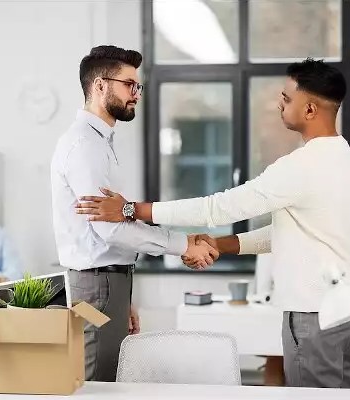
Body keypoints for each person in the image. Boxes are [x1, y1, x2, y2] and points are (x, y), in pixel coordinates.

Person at [76, 58, 350, 388]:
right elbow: (290, 231)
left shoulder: (301, 166)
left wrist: (131, 210)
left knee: (315, 396)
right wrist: (221, 245)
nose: (278, 104)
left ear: (310, 109)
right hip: (340, 308)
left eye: (286, 98)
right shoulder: (343, 157)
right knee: (340, 392)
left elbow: (219, 209)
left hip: (313, 311)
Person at [51, 45, 218, 382]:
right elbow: (110, 230)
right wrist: (183, 245)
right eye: (130, 84)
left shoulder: (101, 143)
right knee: (99, 384)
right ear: (100, 85)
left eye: (137, 86)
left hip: (108, 282)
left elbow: (119, 223)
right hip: (98, 284)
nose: (136, 94)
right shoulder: (84, 147)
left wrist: (124, 297)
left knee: (110, 378)